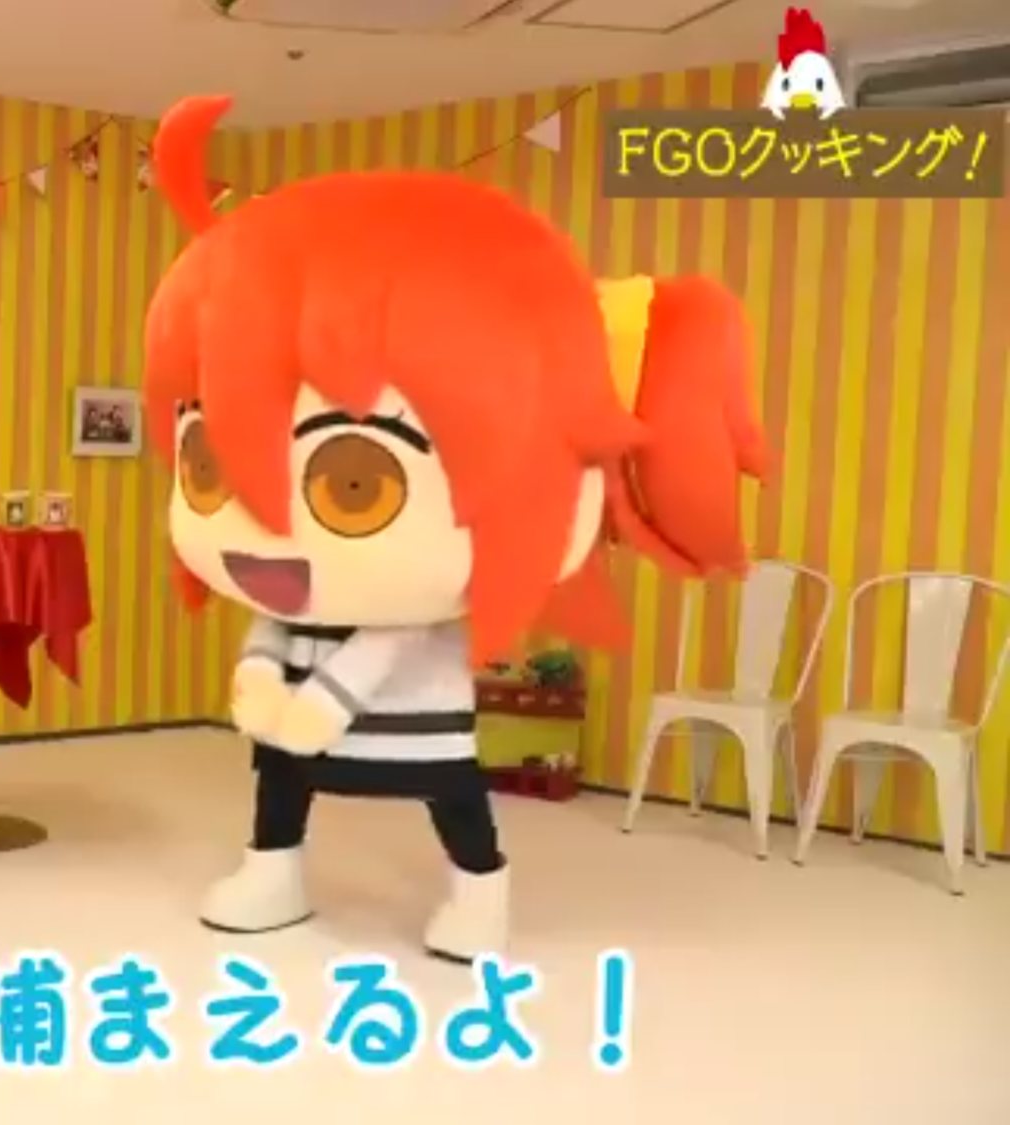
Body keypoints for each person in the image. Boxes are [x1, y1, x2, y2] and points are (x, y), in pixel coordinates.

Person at [140, 95, 770, 962]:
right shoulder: (291, 589)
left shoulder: (409, 604)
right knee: (280, 781)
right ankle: (272, 869)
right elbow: (276, 627)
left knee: (451, 795)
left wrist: (320, 702)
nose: (258, 525)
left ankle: (481, 891)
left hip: (410, 711)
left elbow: (390, 641)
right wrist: (259, 672)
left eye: (355, 484)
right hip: (296, 709)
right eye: (209, 464)